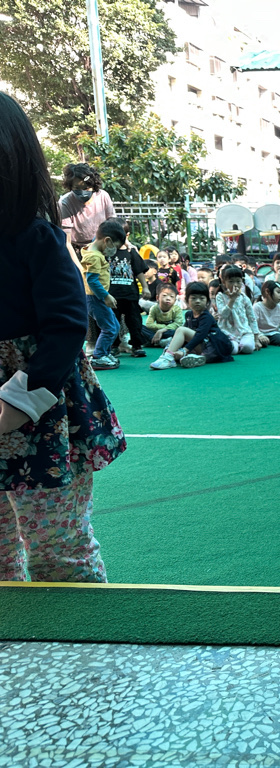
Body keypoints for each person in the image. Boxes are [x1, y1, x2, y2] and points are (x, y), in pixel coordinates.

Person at [0, 91, 124, 582]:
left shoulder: (35, 237)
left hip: (38, 410)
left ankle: (80, 630)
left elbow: (68, 324)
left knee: (58, 548)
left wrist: (21, 399)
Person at [149, 282, 235, 370]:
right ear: (187, 300)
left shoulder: (206, 317)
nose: (197, 301)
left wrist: (184, 350)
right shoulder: (189, 315)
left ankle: (168, 358)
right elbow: (182, 337)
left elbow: (200, 335)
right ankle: (194, 357)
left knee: (181, 330)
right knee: (179, 335)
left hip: (212, 348)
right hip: (200, 347)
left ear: (207, 301)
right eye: (193, 298)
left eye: (201, 298)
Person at [80, 219, 127, 371]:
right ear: (107, 240)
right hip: (96, 298)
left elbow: (97, 237)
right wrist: (106, 296)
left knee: (115, 326)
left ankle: (105, 353)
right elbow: (92, 280)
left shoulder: (94, 248)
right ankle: (98, 356)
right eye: (115, 247)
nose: (114, 251)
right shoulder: (94, 256)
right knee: (109, 328)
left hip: (97, 298)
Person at [106, 233, 150, 358]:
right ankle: (114, 346)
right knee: (112, 322)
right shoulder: (105, 253)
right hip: (112, 296)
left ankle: (137, 345)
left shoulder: (131, 252)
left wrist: (145, 287)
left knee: (134, 321)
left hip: (130, 295)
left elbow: (139, 271)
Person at [58, 163, 116, 252]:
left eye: (86, 188)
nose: (82, 192)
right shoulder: (65, 202)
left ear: (93, 186)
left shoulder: (103, 196)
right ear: (70, 186)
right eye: (77, 188)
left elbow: (114, 224)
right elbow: (67, 242)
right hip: (77, 249)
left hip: (102, 246)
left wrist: (126, 243)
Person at [216, 266, 265, 354]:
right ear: (224, 282)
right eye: (231, 281)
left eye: (238, 281)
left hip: (244, 331)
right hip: (227, 332)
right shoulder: (220, 296)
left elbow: (252, 318)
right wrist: (232, 300)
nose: (235, 284)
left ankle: (244, 343)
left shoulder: (244, 298)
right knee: (233, 350)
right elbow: (223, 315)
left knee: (247, 348)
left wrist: (256, 339)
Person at [253, 279, 280, 346]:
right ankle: (262, 340)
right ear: (267, 292)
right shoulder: (257, 307)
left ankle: (266, 341)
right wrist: (260, 335)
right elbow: (253, 325)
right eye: (278, 292)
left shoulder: (279, 308)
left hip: (273, 333)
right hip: (260, 333)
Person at [142, 284, 185, 348]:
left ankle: (152, 341)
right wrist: (160, 330)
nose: (168, 298)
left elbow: (178, 324)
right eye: (164, 295)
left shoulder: (177, 309)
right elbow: (149, 324)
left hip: (169, 332)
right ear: (157, 297)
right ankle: (161, 342)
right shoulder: (154, 308)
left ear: (175, 300)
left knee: (178, 332)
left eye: (171, 296)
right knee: (140, 327)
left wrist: (162, 330)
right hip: (157, 332)